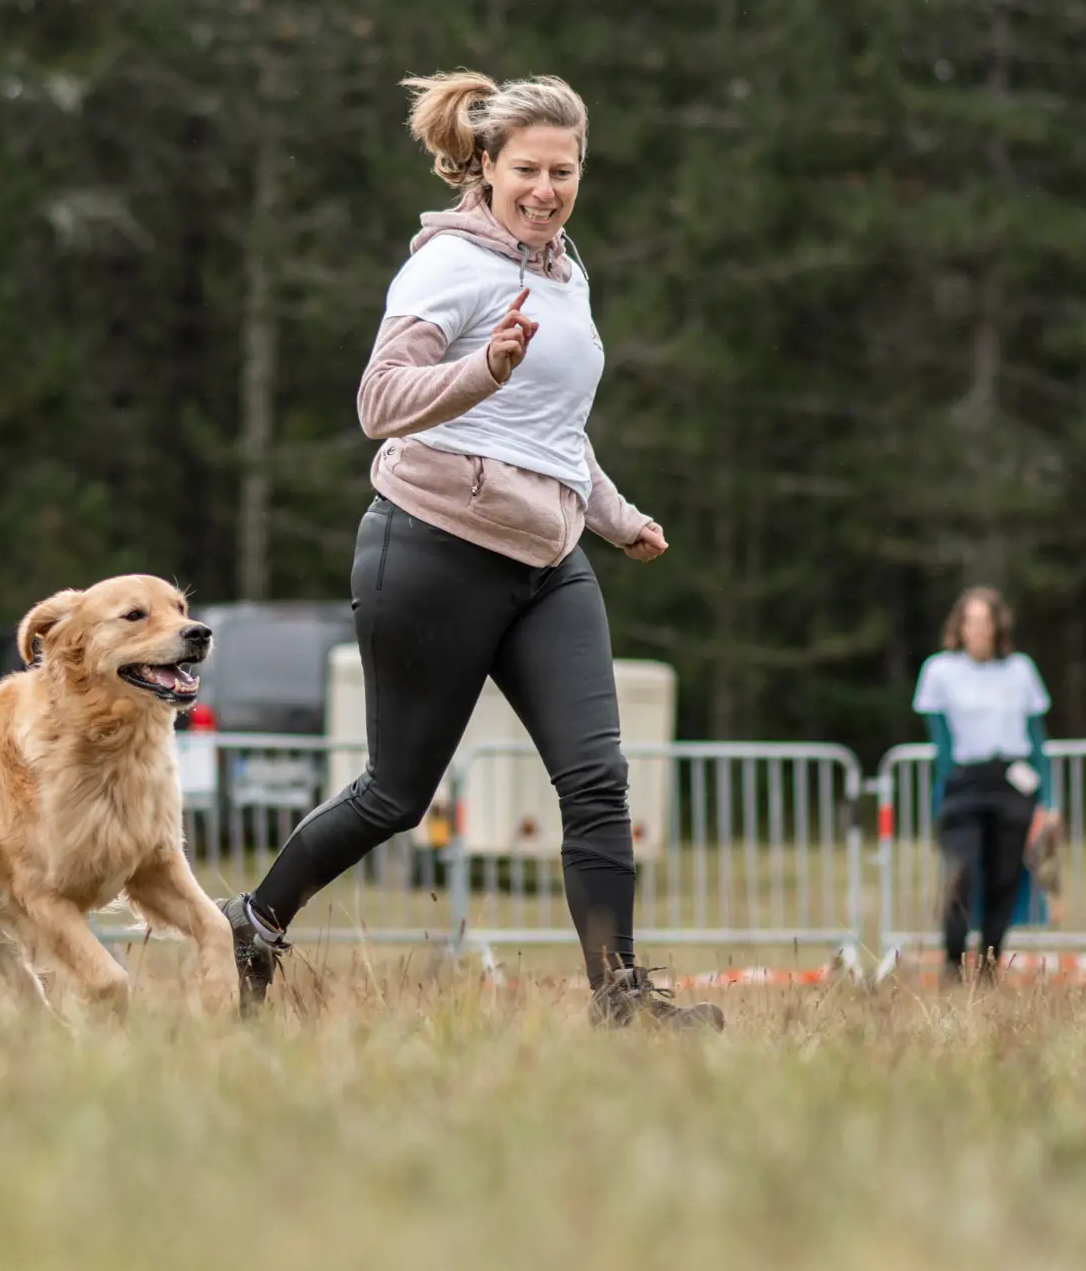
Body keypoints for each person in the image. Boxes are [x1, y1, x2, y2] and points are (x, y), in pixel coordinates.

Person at [216, 69, 723, 1030]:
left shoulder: (568, 274)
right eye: (527, 169)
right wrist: (479, 369)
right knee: (395, 795)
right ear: (485, 167)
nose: (545, 189)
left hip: (550, 563)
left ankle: (619, 998)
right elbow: (380, 402)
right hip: (433, 550)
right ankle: (254, 922)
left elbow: (555, 430)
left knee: (597, 777)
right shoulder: (446, 269)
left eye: (564, 172)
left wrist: (614, 518)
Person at [912, 586, 1061, 982]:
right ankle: (952, 961)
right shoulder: (939, 671)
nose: (978, 630)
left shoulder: (1020, 671)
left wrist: (1049, 800)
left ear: (997, 627)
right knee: (962, 873)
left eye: (985, 621)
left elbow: (1037, 740)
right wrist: (943, 794)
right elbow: (940, 741)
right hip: (964, 783)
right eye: (971, 621)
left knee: (1005, 877)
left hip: (1012, 783)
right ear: (959, 627)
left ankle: (990, 967)